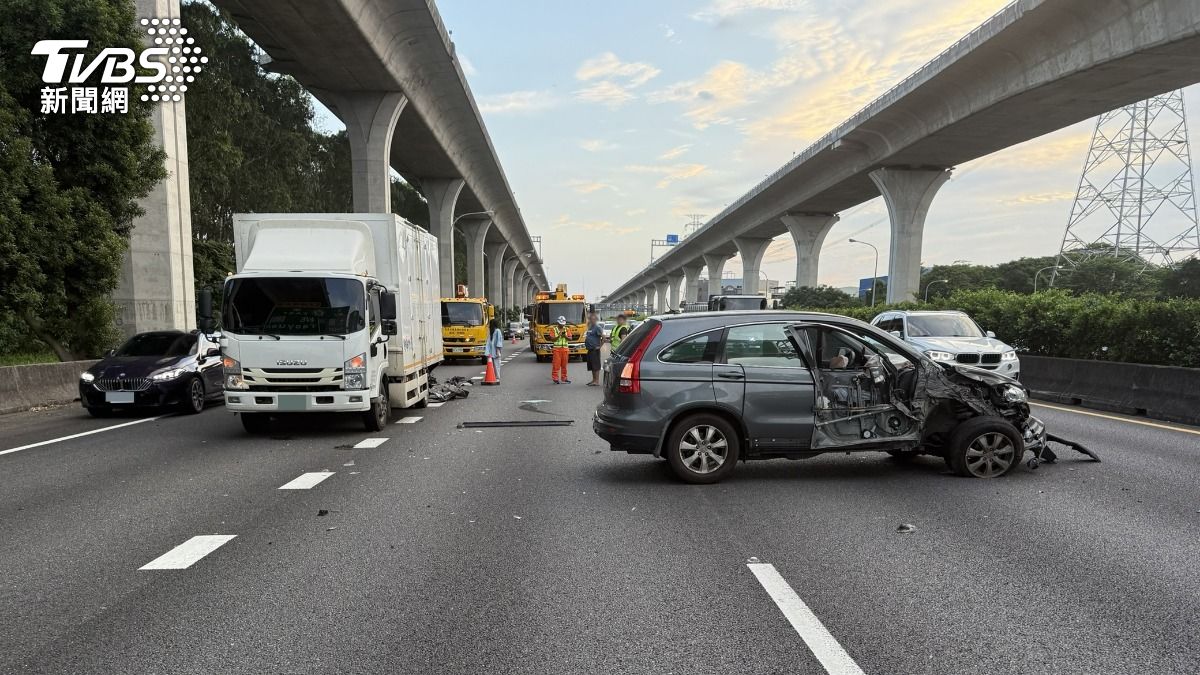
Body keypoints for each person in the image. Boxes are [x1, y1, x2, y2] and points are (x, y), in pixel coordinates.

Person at [550, 315, 571, 384]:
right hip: (557, 349)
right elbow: (552, 339)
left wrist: (565, 336)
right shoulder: (553, 329)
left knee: (564, 365)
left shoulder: (567, 329)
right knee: (556, 365)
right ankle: (555, 378)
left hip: (565, 349)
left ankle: (564, 378)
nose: (562, 325)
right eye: (560, 324)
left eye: (563, 324)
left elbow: (570, 339)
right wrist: (558, 335)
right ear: (558, 323)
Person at [584, 312, 603, 386]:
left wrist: (599, 346)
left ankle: (597, 381)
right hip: (590, 349)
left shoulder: (597, 327)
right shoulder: (590, 327)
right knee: (591, 366)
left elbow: (603, 338)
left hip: (595, 350)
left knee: (596, 366)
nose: (591, 320)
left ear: (595, 320)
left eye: (593, 319)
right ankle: (593, 380)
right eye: (590, 319)